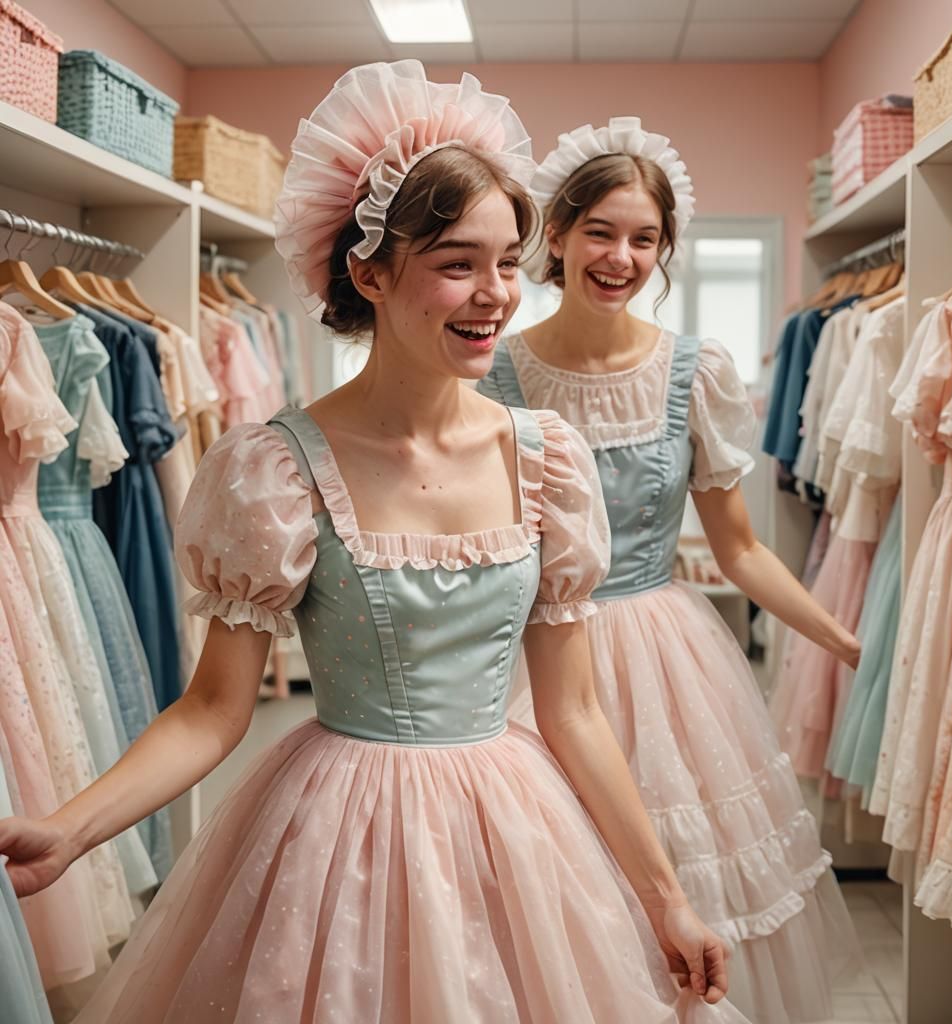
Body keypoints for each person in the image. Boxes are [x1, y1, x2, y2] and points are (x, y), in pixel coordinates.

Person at [0, 65, 750, 1023]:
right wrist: (70, 831)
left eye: (508, 261)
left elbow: (578, 715)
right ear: (368, 271)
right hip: (335, 845)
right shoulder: (277, 469)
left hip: (512, 836)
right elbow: (213, 710)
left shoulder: (546, 462)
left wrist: (667, 900)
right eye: (455, 262)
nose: (494, 296)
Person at [479, 117, 862, 1024]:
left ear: (664, 250)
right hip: (527, 656)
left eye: (644, 238)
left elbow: (740, 549)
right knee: (547, 888)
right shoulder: (492, 373)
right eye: (601, 232)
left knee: (686, 882)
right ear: (558, 237)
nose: (621, 256)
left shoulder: (696, 373)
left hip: (664, 658)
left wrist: (842, 639)